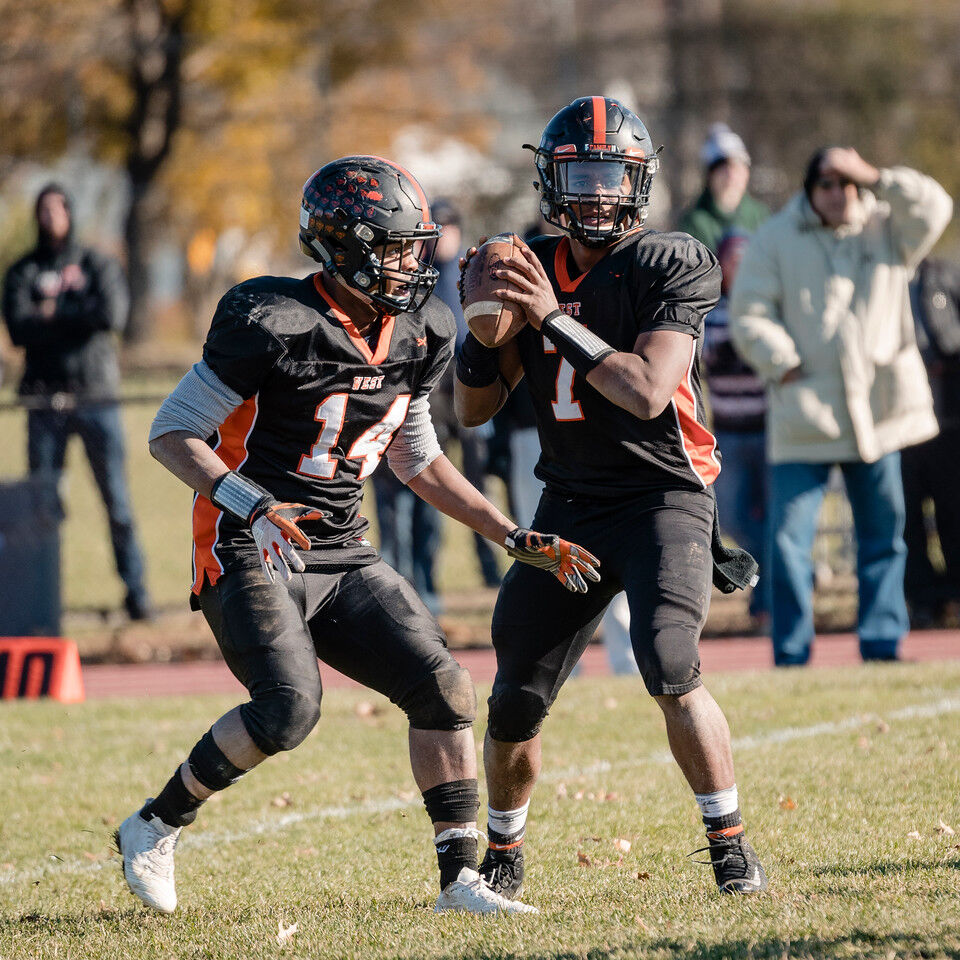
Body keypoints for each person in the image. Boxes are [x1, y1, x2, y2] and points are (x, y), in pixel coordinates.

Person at [114, 155, 600, 917]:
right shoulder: (268, 318)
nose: (417, 262)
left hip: (339, 549)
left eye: (419, 245)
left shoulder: (423, 329)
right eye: (399, 246)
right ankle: (155, 823)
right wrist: (249, 502)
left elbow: (417, 459)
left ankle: (458, 881)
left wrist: (511, 533)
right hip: (250, 543)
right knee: (288, 709)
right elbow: (172, 432)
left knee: (444, 686)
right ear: (343, 247)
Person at [455, 97, 767, 899]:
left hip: (665, 495)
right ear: (550, 181)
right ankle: (505, 854)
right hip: (570, 503)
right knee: (514, 694)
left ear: (639, 181)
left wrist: (551, 317)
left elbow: (649, 392)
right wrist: (481, 336)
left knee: (668, 660)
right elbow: (472, 410)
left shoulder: (671, 259)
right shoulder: (522, 263)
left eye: (610, 176)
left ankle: (730, 846)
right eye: (580, 176)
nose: (596, 194)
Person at [730, 147, 952, 665]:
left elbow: (936, 206)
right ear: (810, 189)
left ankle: (881, 644)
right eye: (826, 183)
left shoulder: (887, 226)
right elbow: (749, 313)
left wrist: (877, 174)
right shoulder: (776, 238)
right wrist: (781, 362)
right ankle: (790, 652)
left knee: (883, 537)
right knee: (787, 542)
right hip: (804, 414)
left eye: (847, 183)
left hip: (879, 414)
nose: (837, 192)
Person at [1, 183, 152, 620]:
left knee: (117, 501)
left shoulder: (97, 262)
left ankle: (137, 595)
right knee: (41, 506)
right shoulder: (22, 271)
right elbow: (17, 328)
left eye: (57, 208)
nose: (50, 216)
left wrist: (50, 312)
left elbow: (111, 316)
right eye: (42, 209)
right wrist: (73, 313)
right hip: (42, 400)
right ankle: (38, 600)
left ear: (70, 212)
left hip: (96, 395)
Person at [702, 228, 768, 625]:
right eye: (732, 259)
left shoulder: (766, 304)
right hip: (727, 431)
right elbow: (703, 354)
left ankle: (765, 602)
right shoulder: (709, 308)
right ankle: (771, 568)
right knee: (732, 517)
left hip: (769, 431)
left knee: (775, 519)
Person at [902, 257, 960, 625]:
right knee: (906, 521)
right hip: (898, 425)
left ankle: (955, 594)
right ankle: (923, 601)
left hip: (948, 421)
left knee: (953, 513)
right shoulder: (871, 273)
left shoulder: (945, 274)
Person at [677, 123, 768, 254]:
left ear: (746, 173)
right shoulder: (694, 223)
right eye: (723, 169)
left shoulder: (760, 216)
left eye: (737, 168)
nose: (731, 176)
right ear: (710, 176)